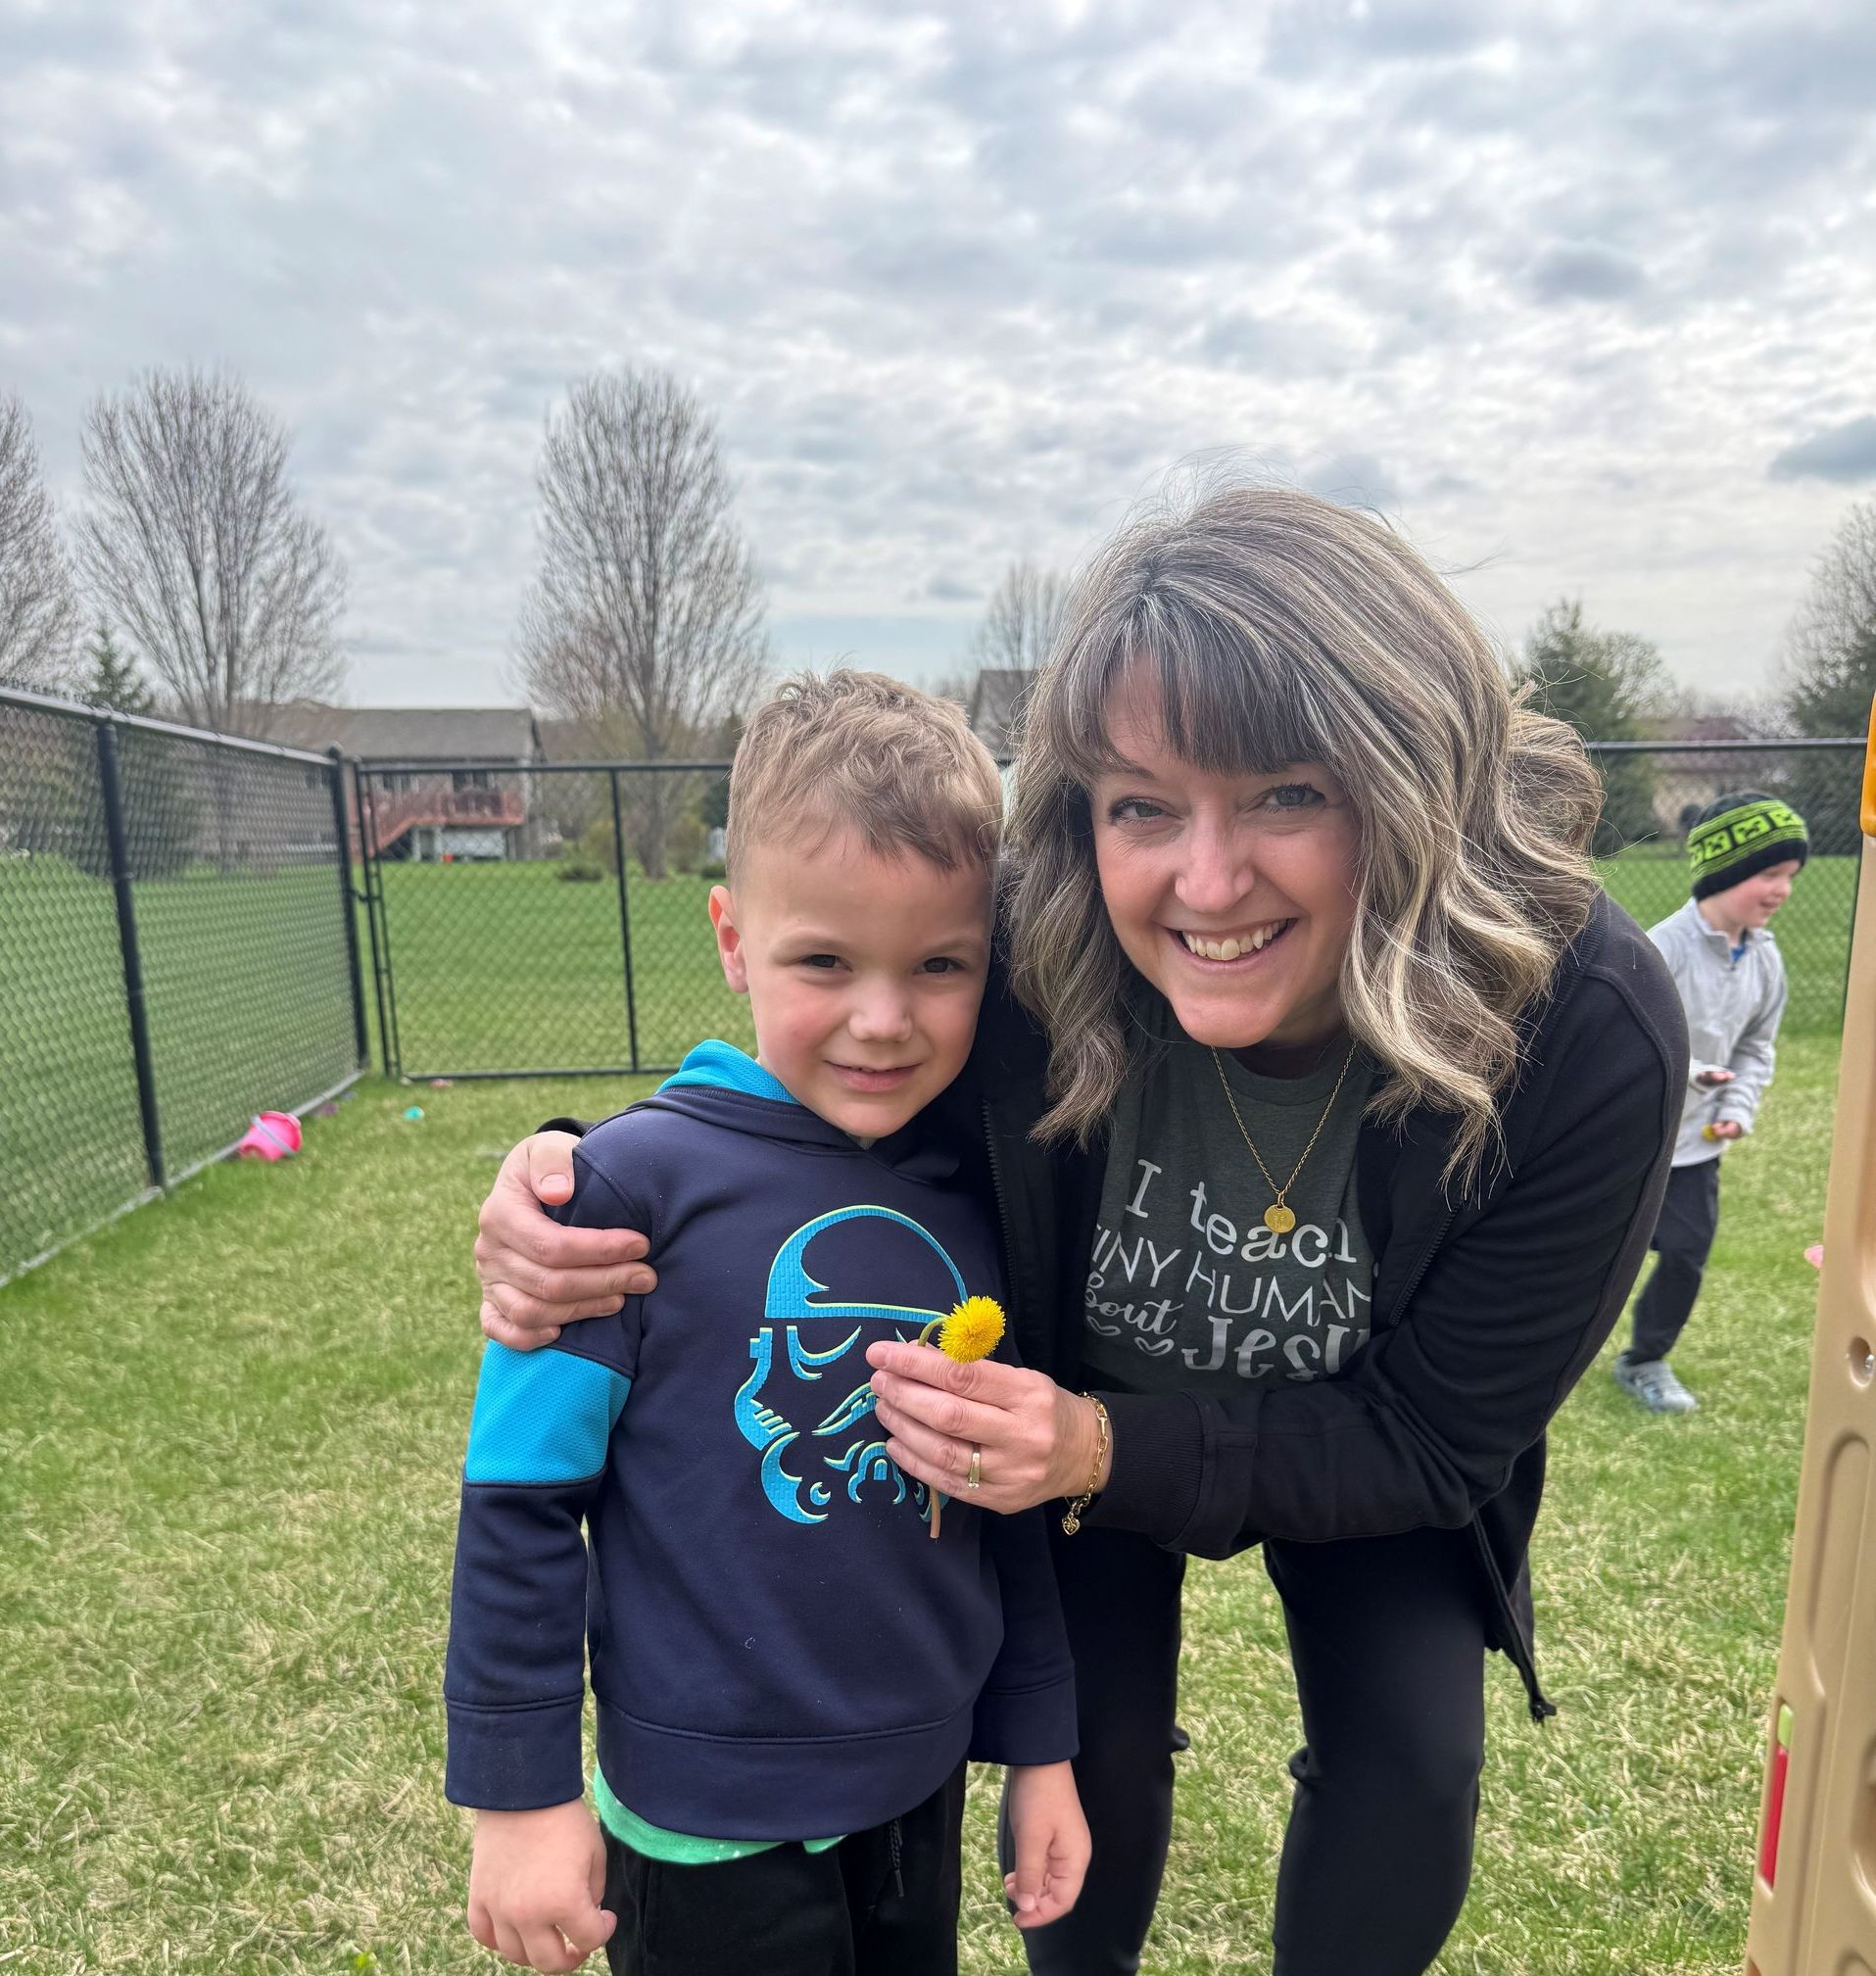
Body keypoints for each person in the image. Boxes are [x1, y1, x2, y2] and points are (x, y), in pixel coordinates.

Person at [470, 486, 1686, 1976]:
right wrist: (583, 1176)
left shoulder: (1577, 1025)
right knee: (1091, 1740)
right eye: (1142, 805)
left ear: (1413, 775)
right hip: (1067, 1406)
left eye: (1288, 793)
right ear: (1079, 815)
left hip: (1359, 1435)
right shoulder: (1030, 938)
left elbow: (1435, 1438)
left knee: (1410, 1758)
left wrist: (1104, 1447)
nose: (1206, 882)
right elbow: (839, 1070)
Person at [446, 671, 1087, 1976]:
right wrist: (518, 1797)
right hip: (701, 1828)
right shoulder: (617, 1195)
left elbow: (995, 1498)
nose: (880, 1019)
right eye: (823, 961)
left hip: (917, 1794)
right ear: (733, 938)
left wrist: (1039, 1747)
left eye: (939, 964)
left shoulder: (974, 1198)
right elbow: (518, 1500)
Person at [1613, 792, 1806, 1415]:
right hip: (1628, 1142)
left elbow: (1756, 1046)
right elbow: (1622, 1038)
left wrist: (1737, 1107)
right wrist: (1693, 1074)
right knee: (1588, 1256)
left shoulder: (1765, 959)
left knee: (1686, 1253)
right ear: (1723, 870)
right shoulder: (1660, 948)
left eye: (1790, 876)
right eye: (1769, 873)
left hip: (1695, 1147)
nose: (1782, 891)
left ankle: (1645, 1360)